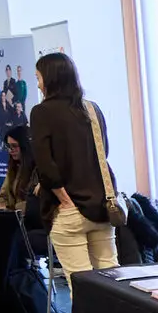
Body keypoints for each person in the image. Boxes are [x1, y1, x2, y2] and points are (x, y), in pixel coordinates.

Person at [29, 52, 119, 287]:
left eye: (38, 77)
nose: (38, 84)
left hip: (67, 208)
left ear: (49, 78)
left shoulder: (42, 112)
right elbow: (103, 153)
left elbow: (45, 163)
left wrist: (63, 198)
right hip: (101, 206)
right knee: (112, 283)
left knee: (80, 285)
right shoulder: (92, 109)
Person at [0, 125, 38, 213]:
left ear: (25, 146)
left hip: (31, 220)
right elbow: (2, 196)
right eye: (9, 146)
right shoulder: (14, 167)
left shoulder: (39, 169)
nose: (11, 150)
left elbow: (36, 203)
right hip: (14, 219)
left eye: (14, 146)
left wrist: (14, 208)